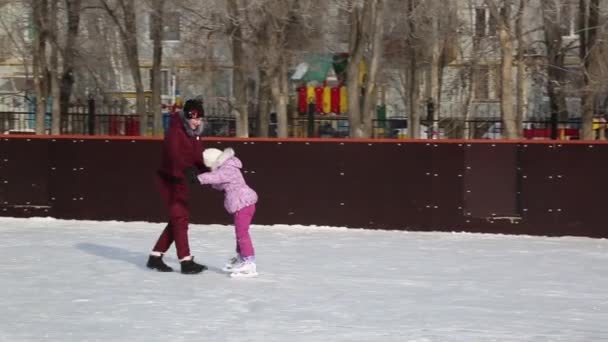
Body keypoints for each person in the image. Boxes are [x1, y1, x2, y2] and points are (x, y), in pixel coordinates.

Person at [147, 99, 208, 274]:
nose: (196, 122)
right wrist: (187, 170)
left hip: (181, 180)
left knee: (178, 219)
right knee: (180, 219)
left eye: (199, 118)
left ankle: (155, 256)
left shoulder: (194, 133)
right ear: (186, 117)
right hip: (170, 180)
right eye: (193, 118)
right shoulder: (175, 132)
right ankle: (185, 261)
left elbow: (197, 157)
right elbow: (173, 156)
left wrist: (210, 170)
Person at [197, 147, 258, 277]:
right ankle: (242, 257)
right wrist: (204, 176)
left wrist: (199, 178)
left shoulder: (227, 169)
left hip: (243, 203)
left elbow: (217, 177)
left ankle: (249, 263)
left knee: (242, 233)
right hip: (243, 203)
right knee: (239, 233)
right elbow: (219, 183)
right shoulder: (229, 167)